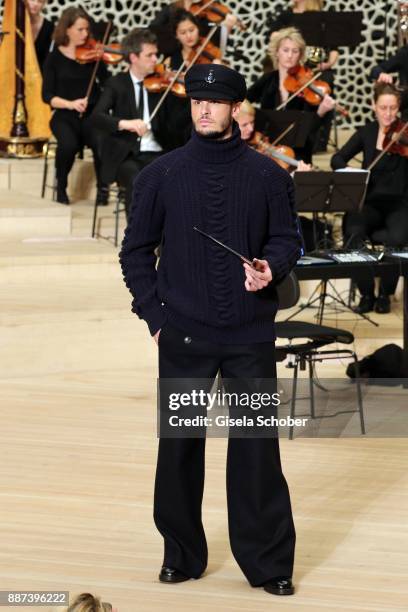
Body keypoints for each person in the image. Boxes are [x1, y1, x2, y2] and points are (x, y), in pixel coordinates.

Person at [120, 63, 303, 596]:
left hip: (248, 336)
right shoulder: (161, 175)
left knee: (255, 450)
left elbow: (287, 240)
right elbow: (135, 253)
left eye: (215, 101)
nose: (203, 108)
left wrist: (271, 267)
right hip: (184, 335)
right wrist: (154, 317)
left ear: (235, 109)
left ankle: (268, 564)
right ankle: (180, 554)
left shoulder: (268, 175)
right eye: (197, 99)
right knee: (178, 449)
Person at [92, 28, 189, 220]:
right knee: (138, 181)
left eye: (156, 54)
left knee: (175, 181)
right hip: (126, 155)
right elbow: (97, 116)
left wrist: (183, 96)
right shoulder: (116, 84)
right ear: (134, 57)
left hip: (158, 152)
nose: (156, 59)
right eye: (150, 55)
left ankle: (166, 242)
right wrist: (125, 123)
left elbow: (177, 124)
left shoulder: (161, 85)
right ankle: (136, 242)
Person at [331, 82, 408, 314]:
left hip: (400, 204)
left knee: (398, 236)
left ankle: (385, 294)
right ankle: (366, 294)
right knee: (353, 228)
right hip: (369, 202)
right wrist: (353, 173)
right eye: (383, 108)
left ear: (399, 108)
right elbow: (337, 159)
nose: (388, 114)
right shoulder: (367, 132)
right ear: (374, 106)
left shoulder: (404, 134)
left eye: (393, 108)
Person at [42, 7, 109, 205]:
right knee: (68, 145)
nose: (85, 34)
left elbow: (108, 85)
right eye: (80, 29)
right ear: (67, 29)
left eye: (87, 29)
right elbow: (47, 96)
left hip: (91, 115)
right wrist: (71, 104)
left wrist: (102, 59)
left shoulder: (93, 55)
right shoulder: (53, 59)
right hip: (64, 115)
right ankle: (61, 185)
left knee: (101, 141)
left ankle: (103, 188)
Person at [247, 27, 335, 163]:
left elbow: (310, 131)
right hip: (269, 148)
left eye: (295, 51)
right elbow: (244, 100)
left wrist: (320, 113)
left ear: (300, 55)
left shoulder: (308, 85)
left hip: (298, 151)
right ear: (277, 53)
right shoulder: (268, 79)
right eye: (285, 50)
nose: (290, 56)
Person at [150, 0, 238, 57]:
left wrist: (227, 28)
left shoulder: (207, 12)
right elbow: (153, 31)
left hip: (200, 58)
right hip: (174, 56)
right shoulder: (171, 9)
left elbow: (216, 43)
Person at [27, 0, 54, 72]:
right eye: (32, 0)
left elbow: (49, 60)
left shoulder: (50, 27)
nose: (35, 4)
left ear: (44, 4)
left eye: (40, 1)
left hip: (41, 76)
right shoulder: (15, 24)